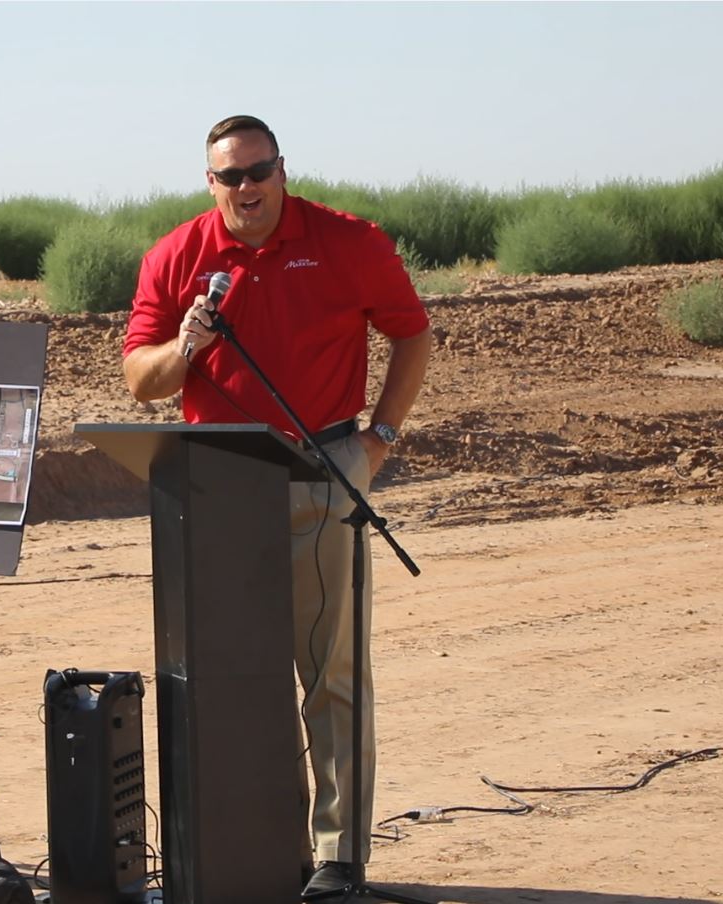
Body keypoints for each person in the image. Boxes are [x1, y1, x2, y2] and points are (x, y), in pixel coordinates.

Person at [122, 114, 432, 899]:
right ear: (210, 183)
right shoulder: (177, 257)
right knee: (231, 677)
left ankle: (337, 858)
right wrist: (187, 345)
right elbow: (141, 381)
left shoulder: (346, 241)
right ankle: (260, 850)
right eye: (231, 177)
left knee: (329, 675)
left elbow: (411, 333)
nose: (247, 188)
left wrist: (380, 438)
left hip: (318, 474)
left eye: (258, 172)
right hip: (214, 486)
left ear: (282, 170)